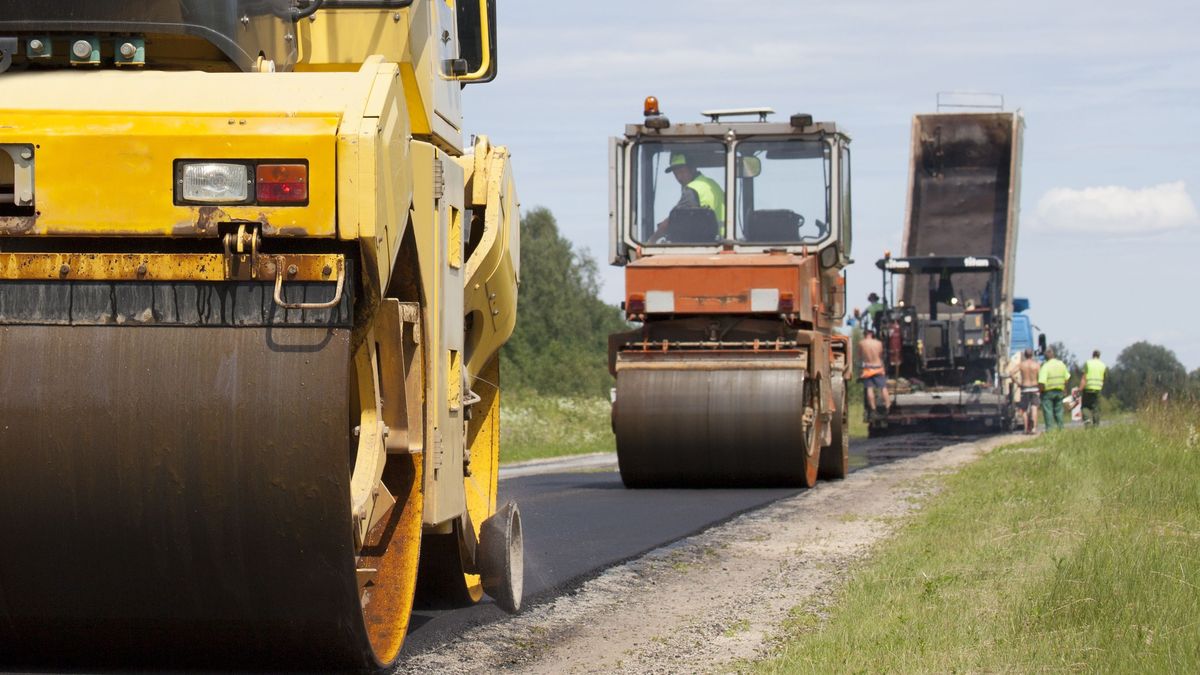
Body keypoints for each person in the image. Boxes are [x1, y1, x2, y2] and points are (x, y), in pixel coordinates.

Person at [651, 153, 725, 241]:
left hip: (710, 242)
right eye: (675, 174)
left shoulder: (693, 189)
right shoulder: (711, 183)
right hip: (721, 239)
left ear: (692, 169)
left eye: (682, 172)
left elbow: (675, 218)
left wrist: (653, 239)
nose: (679, 177)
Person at [858, 329, 890, 421]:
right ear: (871, 334)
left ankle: (873, 409)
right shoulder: (878, 343)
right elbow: (881, 355)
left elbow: (860, 356)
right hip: (878, 367)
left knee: (869, 388)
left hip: (868, 369)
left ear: (865, 334)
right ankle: (888, 408)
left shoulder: (861, 343)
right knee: (883, 388)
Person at [1038, 347, 1071, 431]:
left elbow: (1041, 382)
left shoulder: (1045, 366)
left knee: (1048, 411)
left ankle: (1050, 430)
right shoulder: (1061, 364)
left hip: (1048, 393)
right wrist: (1064, 388)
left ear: (1045, 357)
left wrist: (1040, 391)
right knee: (1059, 411)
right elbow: (1067, 378)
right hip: (1059, 391)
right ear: (1053, 355)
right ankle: (1061, 428)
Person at [1014, 348, 1041, 434]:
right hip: (1035, 387)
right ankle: (1034, 429)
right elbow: (1040, 376)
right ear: (1032, 355)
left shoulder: (1021, 365)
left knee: (1024, 409)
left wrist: (1018, 383)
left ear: (1025, 355)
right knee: (1034, 407)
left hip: (1025, 387)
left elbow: (1011, 373)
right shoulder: (1036, 365)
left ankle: (1026, 429)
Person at [1080, 349, 1107, 428]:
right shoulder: (1103, 365)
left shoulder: (1088, 363)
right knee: (1096, 408)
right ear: (1099, 356)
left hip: (1088, 388)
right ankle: (1096, 425)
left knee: (1085, 407)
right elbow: (1104, 378)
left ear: (1092, 355)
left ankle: (1087, 421)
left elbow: (1084, 378)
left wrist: (1080, 389)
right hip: (1097, 389)